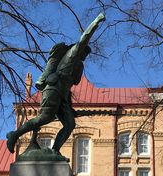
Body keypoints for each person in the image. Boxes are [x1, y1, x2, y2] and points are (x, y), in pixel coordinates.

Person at [6, 13, 105, 156]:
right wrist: (97, 21)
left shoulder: (78, 66)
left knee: (70, 124)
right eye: (85, 52)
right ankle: (14, 135)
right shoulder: (72, 54)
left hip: (63, 95)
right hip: (53, 89)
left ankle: (55, 151)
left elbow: (70, 86)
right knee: (45, 117)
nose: (85, 55)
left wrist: (69, 107)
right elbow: (85, 37)